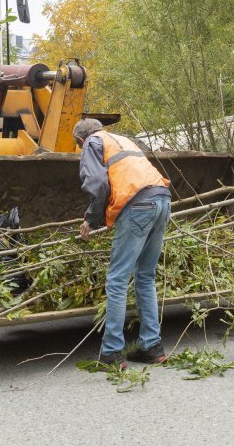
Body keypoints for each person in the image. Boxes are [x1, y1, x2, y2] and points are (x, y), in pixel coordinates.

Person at [73, 117, 173, 369]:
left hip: (138, 205)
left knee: (117, 280)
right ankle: (152, 346)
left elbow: (97, 183)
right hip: (162, 199)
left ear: (81, 140)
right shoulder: (122, 139)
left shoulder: (91, 143)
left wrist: (91, 219)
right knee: (145, 277)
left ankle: (112, 352)